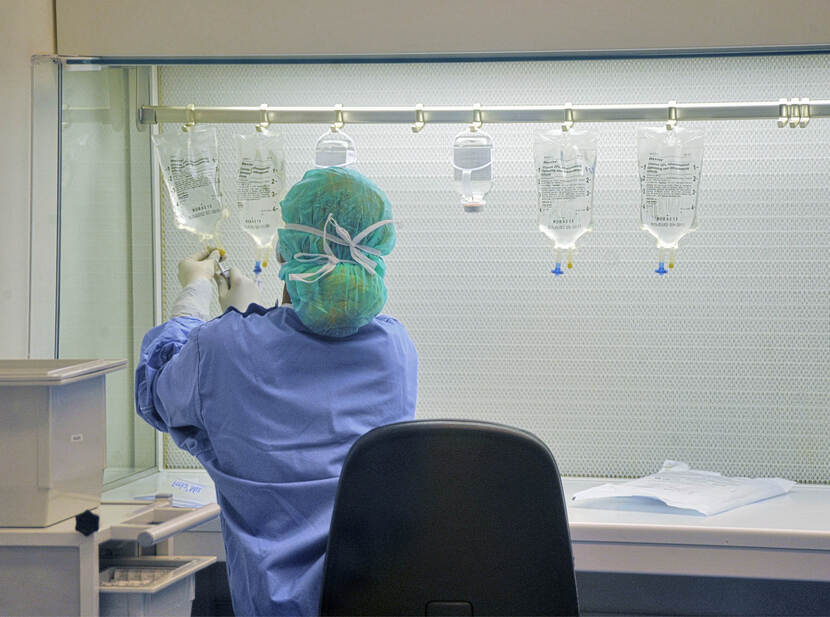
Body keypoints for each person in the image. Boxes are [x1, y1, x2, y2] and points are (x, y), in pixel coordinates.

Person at [135, 167, 418, 616]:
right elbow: (300, 356)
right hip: (378, 601)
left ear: (288, 253)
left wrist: (198, 298)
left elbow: (155, 393)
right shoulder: (396, 350)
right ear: (376, 253)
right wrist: (247, 320)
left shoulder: (223, 349)